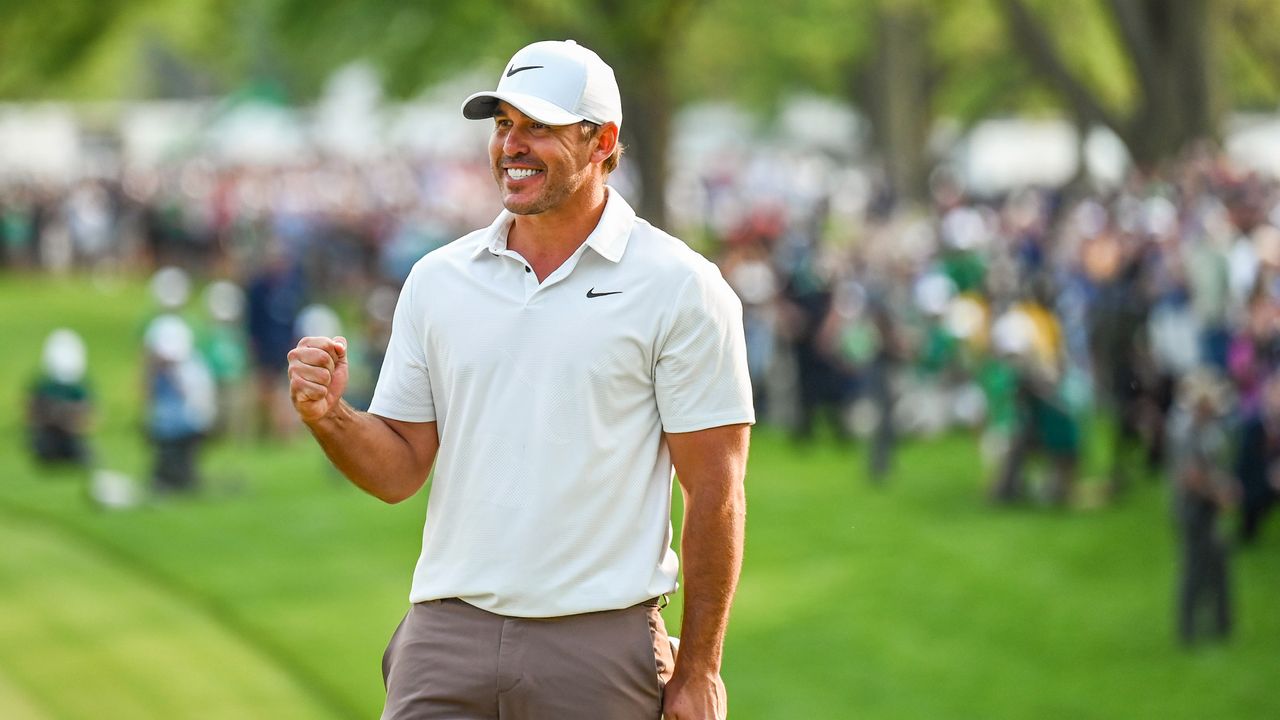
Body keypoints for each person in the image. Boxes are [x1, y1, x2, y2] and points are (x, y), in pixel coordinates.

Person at [288, 39, 754, 720]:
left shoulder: (681, 287)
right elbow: (399, 471)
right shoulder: (439, 280)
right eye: (503, 123)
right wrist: (331, 416)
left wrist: (700, 670)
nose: (512, 144)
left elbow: (715, 488)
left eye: (538, 125)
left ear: (602, 141)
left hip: (597, 648)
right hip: (445, 638)